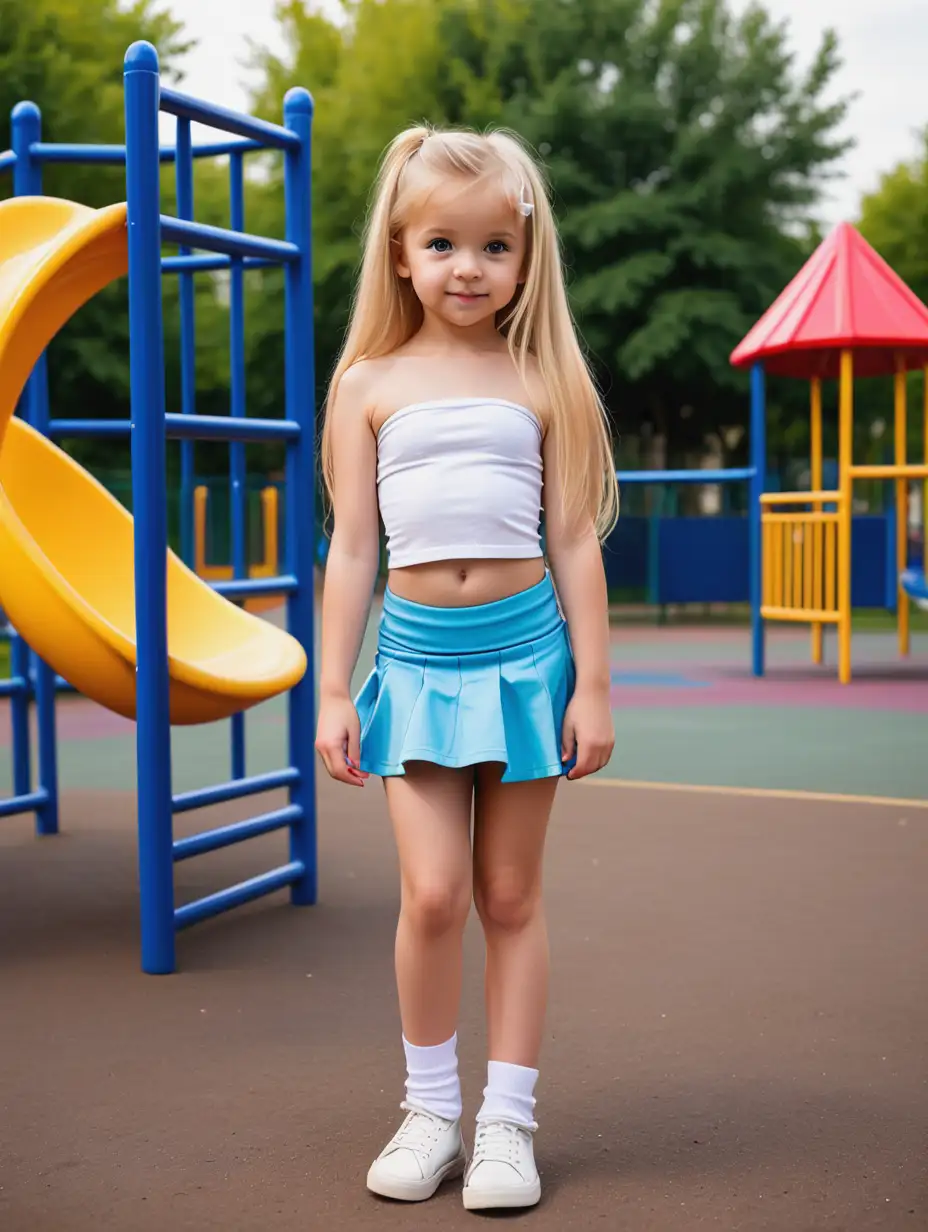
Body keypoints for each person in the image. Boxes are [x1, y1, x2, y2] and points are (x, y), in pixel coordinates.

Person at [314, 123, 618, 1213]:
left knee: (506, 891)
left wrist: (592, 681)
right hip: (415, 659)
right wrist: (336, 686)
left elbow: (574, 536)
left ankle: (507, 1123)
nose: (467, 267)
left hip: (526, 655)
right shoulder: (365, 384)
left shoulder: (545, 377)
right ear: (400, 251)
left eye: (493, 245)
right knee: (434, 892)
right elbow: (353, 546)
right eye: (441, 243)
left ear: (524, 257)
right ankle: (431, 1107)